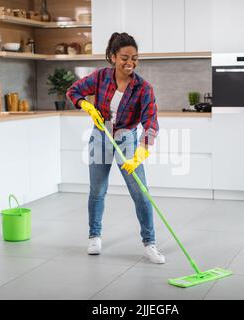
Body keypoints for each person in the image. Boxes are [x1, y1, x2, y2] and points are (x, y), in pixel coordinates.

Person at [66, 32, 165, 264]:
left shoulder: (143, 88)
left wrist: (141, 151)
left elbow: (150, 123)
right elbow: (74, 91)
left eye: (135, 58)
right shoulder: (100, 77)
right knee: (97, 191)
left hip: (127, 140)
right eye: (124, 57)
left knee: (140, 193)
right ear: (112, 57)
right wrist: (86, 106)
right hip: (100, 137)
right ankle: (94, 236)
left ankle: (149, 243)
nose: (130, 63)